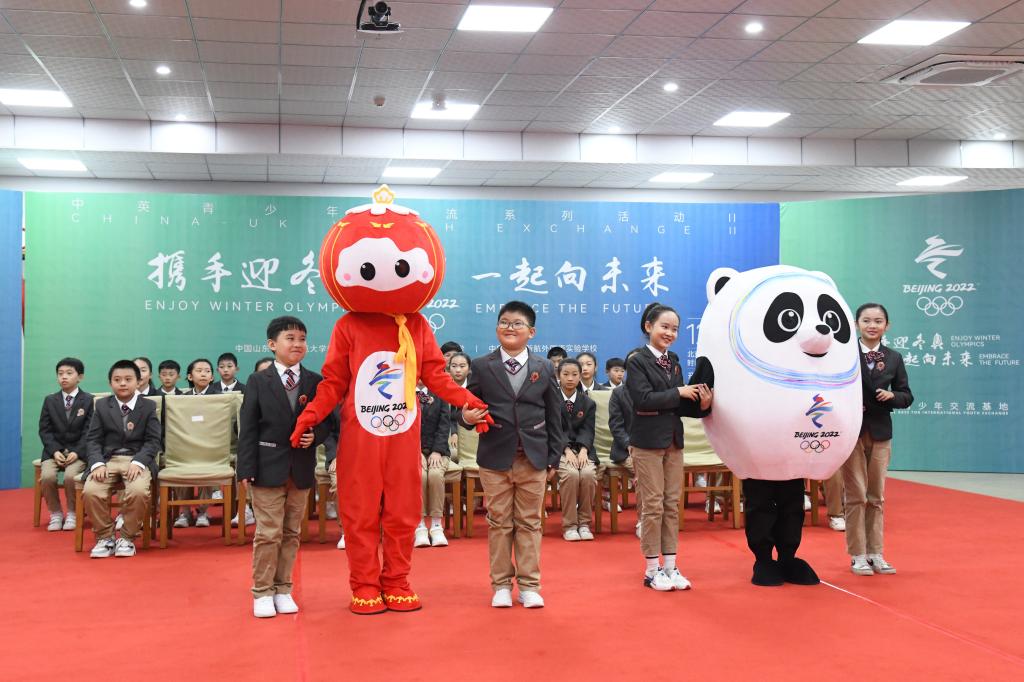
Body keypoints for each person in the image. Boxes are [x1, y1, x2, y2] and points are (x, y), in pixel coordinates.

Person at [462, 301, 564, 609]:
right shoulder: (482, 365)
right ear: (497, 328)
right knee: (499, 523)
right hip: (495, 458)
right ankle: (501, 585)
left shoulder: (544, 367)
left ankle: (530, 586)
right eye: (504, 322)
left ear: (531, 332)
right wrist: (466, 418)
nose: (510, 327)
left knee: (530, 523)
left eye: (517, 323)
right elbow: (466, 406)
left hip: (533, 458)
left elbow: (554, 414)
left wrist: (554, 457)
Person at [236, 316, 333, 618]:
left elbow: (327, 422)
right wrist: (245, 469)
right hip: (266, 467)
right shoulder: (258, 380)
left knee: (291, 532)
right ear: (272, 344)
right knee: (268, 533)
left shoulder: (315, 381)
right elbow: (248, 427)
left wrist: (315, 436)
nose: (297, 344)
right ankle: (262, 591)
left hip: (300, 468)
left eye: (302, 339)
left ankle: (283, 588)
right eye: (290, 338)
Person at [626, 303, 711, 592]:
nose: (670, 333)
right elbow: (643, 399)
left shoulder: (673, 360)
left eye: (674, 329)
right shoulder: (637, 361)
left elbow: (679, 404)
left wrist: (702, 403)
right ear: (648, 326)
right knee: (652, 505)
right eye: (664, 327)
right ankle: (652, 570)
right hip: (647, 442)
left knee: (672, 504)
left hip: (673, 440)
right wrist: (678, 392)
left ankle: (671, 566)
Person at [843, 303, 913, 576]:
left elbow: (906, 395)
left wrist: (892, 396)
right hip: (852, 432)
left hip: (881, 431)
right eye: (866, 320)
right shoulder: (844, 355)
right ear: (856, 324)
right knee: (856, 495)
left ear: (887, 325)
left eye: (878, 321)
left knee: (876, 497)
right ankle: (857, 555)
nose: (872, 325)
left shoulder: (894, 357)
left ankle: (876, 553)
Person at [82, 360, 161, 558]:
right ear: (110, 383)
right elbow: (93, 439)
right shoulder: (102, 405)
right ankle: (105, 537)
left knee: (138, 491)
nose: (123, 383)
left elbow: (153, 441)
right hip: (108, 460)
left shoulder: (148, 406)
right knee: (91, 491)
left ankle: (127, 537)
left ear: (138, 382)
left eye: (128, 379)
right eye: (117, 380)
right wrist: (97, 463)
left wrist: (139, 462)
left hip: (136, 460)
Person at [38, 357, 93, 531]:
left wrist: (77, 452)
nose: (64, 377)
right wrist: (55, 451)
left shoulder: (89, 400)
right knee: (47, 477)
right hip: (53, 452)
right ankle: (55, 513)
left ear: (80, 377)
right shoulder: (50, 400)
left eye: (69, 373)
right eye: (60, 373)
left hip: (79, 452)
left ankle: (72, 513)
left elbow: (90, 431)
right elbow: (44, 430)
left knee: (70, 476)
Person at [554, 358, 597, 542]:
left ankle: (584, 523)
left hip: (583, 449)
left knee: (588, 474)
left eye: (574, 374)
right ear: (558, 376)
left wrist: (584, 450)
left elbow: (588, 430)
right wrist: (566, 449)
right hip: (558, 449)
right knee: (571, 475)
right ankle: (570, 525)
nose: (570, 378)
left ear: (580, 376)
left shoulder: (587, 402)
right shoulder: (551, 400)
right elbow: (553, 429)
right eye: (566, 374)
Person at [177, 358, 222, 528]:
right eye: (199, 370)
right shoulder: (181, 399)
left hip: (210, 446)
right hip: (186, 447)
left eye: (207, 371)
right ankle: (185, 512)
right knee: (177, 464)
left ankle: (203, 511)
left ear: (212, 377)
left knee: (207, 462)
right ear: (190, 376)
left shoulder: (220, 398)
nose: (204, 374)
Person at [415, 381, 454, 548]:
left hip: (439, 451)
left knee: (435, 475)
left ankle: (437, 525)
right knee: (420, 476)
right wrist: (415, 451)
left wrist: (437, 451)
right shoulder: (403, 393)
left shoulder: (440, 393)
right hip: (413, 451)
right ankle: (420, 525)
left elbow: (444, 426)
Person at [607, 350, 640, 537]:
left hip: (653, 448)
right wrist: (629, 444)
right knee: (645, 474)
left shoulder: (656, 391)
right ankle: (645, 521)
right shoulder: (619, 394)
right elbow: (616, 426)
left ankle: (660, 518)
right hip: (626, 450)